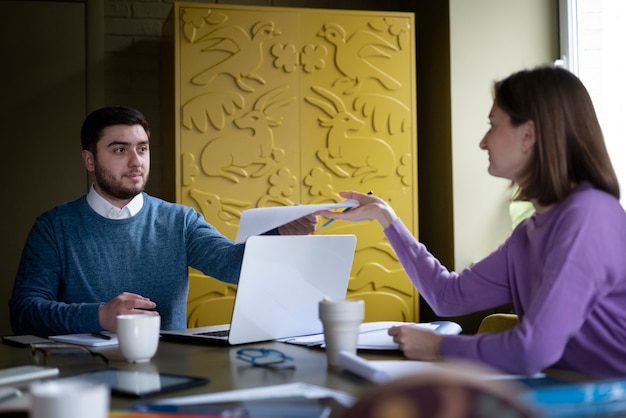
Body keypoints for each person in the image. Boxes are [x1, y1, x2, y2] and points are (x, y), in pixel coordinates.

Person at [316, 65, 626, 378]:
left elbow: (532, 351)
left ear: (529, 135)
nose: (483, 141)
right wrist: (386, 217)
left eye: (492, 125)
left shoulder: (589, 215)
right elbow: (447, 297)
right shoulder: (529, 233)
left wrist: (439, 347)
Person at [10, 105, 317, 336]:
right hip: (79, 375)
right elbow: (25, 312)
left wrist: (279, 232)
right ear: (90, 160)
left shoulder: (179, 220)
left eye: (142, 149)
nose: (136, 161)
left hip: (168, 369)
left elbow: (230, 265)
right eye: (119, 150)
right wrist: (100, 316)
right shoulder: (53, 226)